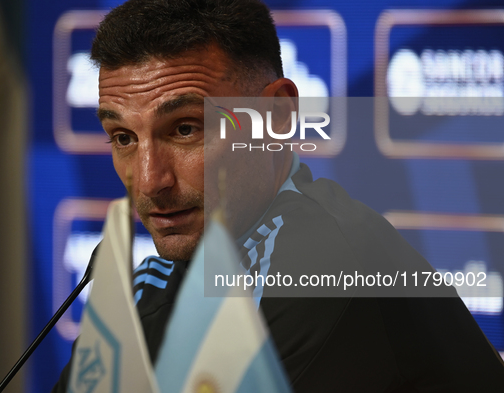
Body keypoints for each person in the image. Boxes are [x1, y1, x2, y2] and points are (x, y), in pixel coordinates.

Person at [53, 0, 504, 391]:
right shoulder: (159, 278)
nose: (150, 181)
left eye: (186, 128)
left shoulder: (328, 262)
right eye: (123, 138)